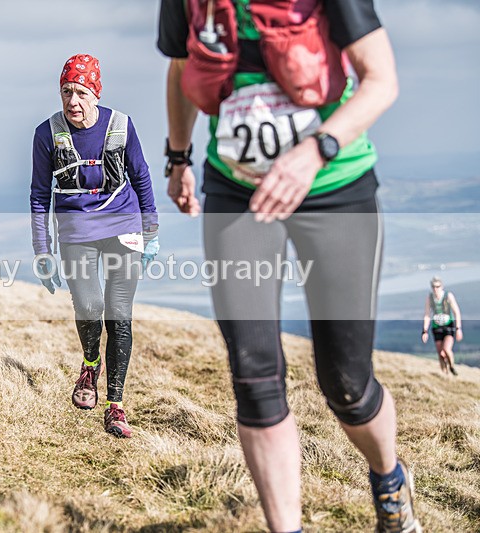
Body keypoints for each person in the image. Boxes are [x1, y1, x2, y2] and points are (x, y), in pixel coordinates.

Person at [159, 1, 421, 532]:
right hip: (237, 193)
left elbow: (381, 80)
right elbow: (184, 63)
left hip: (335, 188)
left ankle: (389, 481)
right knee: (254, 375)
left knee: (346, 382)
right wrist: (180, 158)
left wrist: (314, 152)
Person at [30, 53, 159, 438]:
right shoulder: (46, 134)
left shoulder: (121, 126)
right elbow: (40, 194)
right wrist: (42, 250)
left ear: (95, 94)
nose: (73, 101)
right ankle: (90, 364)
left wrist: (151, 234)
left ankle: (115, 406)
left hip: (123, 225)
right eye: (66, 92)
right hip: (75, 231)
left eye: (81, 92)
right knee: (89, 306)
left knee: (118, 315)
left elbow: (142, 179)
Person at [422, 276, 462, 376]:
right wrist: (424, 331)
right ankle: (445, 374)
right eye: (433, 287)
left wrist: (458, 329)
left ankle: (452, 366)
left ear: (442, 286)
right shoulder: (430, 298)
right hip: (437, 327)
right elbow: (427, 315)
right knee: (440, 353)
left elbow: (456, 312)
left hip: (449, 326)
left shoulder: (448, 296)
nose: (435, 289)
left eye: (437, 286)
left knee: (446, 349)